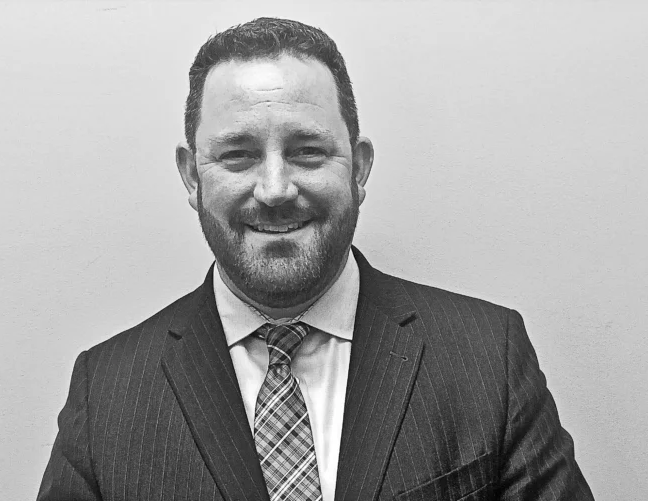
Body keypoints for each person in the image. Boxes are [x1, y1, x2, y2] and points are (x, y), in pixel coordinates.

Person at [38, 17, 593, 501]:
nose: (275, 188)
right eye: (238, 155)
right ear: (191, 177)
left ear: (359, 168)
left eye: (307, 151)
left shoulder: (488, 358)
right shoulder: (106, 391)